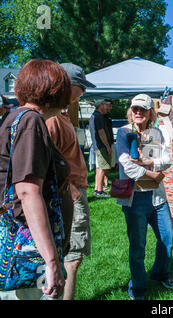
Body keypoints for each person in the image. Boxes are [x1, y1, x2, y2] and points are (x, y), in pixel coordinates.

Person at [0, 59, 73, 300]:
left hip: (29, 242)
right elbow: (27, 192)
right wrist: (51, 261)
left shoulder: (17, 118)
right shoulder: (31, 121)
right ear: (54, 91)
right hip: (28, 248)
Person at [116, 93, 173, 300]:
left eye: (143, 109)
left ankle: (160, 273)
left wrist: (150, 164)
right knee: (138, 247)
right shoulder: (123, 132)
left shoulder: (157, 132)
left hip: (158, 198)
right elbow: (127, 165)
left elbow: (167, 159)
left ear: (150, 112)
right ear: (130, 111)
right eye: (135, 109)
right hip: (135, 199)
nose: (138, 112)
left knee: (167, 239)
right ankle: (138, 288)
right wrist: (155, 175)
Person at [45, 63, 95, 300]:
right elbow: (46, 162)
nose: (83, 93)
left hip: (72, 193)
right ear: (67, 84)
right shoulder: (53, 119)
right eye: (81, 88)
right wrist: (72, 189)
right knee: (72, 260)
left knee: (72, 257)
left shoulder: (62, 115)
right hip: (68, 197)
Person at [89, 99, 114, 197]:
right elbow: (101, 132)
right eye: (106, 105)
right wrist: (108, 146)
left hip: (98, 145)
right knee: (103, 168)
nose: (108, 107)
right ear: (101, 105)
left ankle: (97, 189)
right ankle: (99, 191)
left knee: (100, 168)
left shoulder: (95, 115)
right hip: (101, 146)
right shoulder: (98, 116)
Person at [103, 100, 115, 191]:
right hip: (104, 145)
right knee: (103, 166)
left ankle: (106, 182)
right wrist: (107, 146)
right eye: (109, 106)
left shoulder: (107, 116)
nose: (111, 108)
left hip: (110, 143)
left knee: (108, 165)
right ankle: (101, 185)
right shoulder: (99, 116)